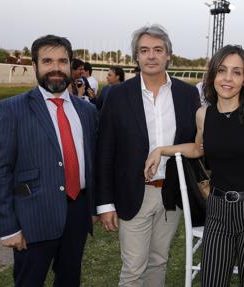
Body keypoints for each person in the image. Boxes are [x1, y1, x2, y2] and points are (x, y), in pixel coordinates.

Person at [144, 45, 244, 287]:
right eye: (222, 70)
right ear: (213, 74)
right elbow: (198, 148)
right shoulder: (203, 115)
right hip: (217, 211)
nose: (228, 78)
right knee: (211, 281)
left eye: (236, 72)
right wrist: (162, 150)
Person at [0, 34, 98, 287]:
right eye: (47, 61)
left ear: (71, 65)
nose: (56, 68)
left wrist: (91, 208)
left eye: (62, 61)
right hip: (32, 217)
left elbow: (90, 161)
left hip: (77, 212)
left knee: (70, 279)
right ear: (35, 66)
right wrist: (8, 227)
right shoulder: (12, 109)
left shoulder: (88, 111)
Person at [96, 24, 200, 287]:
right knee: (133, 270)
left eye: (157, 50)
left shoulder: (188, 94)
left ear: (168, 55)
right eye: (144, 50)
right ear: (136, 57)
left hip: (172, 195)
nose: (151, 56)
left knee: (159, 262)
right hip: (133, 193)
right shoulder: (117, 95)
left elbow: (196, 145)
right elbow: (105, 151)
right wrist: (105, 203)